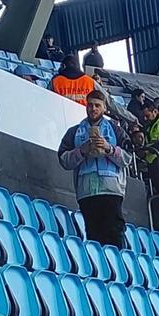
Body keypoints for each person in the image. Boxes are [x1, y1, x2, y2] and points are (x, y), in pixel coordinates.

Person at [58, 90, 127, 247]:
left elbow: (128, 158)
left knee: (114, 233)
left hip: (111, 190)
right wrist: (81, 151)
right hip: (86, 192)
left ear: (104, 108)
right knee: (94, 236)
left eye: (97, 105)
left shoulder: (116, 130)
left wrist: (109, 148)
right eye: (90, 105)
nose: (93, 109)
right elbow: (63, 160)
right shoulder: (74, 132)